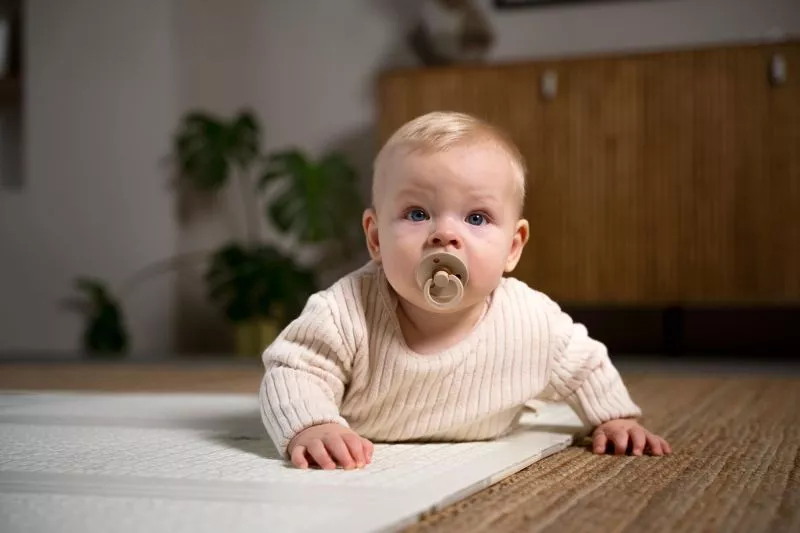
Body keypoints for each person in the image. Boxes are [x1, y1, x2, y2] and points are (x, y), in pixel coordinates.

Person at [259, 111, 672, 470]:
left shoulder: (531, 319)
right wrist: (313, 424)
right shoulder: (344, 310)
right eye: (417, 214)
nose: (445, 235)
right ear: (376, 239)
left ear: (513, 247)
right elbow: (293, 371)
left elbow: (586, 365)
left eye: (476, 217)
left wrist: (614, 418)